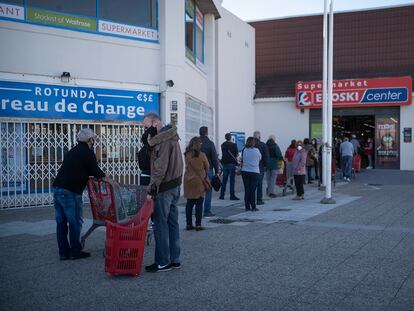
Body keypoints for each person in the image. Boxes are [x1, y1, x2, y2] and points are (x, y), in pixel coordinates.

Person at [52, 128, 106, 260]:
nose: (94, 141)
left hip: (58, 188)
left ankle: (63, 252)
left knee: (61, 222)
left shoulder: (73, 151)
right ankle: (75, 251)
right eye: (93, 138)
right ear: (89, 140)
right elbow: (96, 171)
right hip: (70, 191)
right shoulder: (87, 152)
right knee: (75, 221)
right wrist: (110, 180)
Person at [143, 113, 184, 273]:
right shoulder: (172, 137)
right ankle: (175, 259)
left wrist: (151, 188)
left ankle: (163, 262)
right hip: (175, 186)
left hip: (165, 188)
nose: (146, 131)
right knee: (172, 223)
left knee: (160, 224)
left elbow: (160, 168)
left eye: (147, 127)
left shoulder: (163, 140)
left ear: (155, 123)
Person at [184, 137, 209, 231]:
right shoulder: (202, 155)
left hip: (188, 180)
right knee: (199, 202)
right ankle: (198, 224)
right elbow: (207, 166)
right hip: (199, 180)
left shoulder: (186, 154)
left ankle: (188, 224)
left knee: (189, 203)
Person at [199, 126, 220, 217]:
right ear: (206, 132)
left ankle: (198, 210)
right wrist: (217, 171)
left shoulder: (195, 143)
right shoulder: (210, 143)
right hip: (208, 170)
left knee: (198, 191)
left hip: (197, 170)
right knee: (208, 190)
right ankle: (207, 211)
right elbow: (215, 158)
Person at [240, 137, 262, 211]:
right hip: (255, 171)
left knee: (247, 189)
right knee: (252, 190)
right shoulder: (256, 150)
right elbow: (260, 158)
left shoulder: (244, 150)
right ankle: (253, 206)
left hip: (245, 171)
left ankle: (247, 206)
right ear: (253, 143)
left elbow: (242, 159)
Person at [220, 133, 240, 200]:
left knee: (224, 180)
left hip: (225, 164)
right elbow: (237, 155)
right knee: (232, 181)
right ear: (231, 137)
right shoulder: (234, 145)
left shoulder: (223, 145)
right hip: (232, 164)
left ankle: (222, 195)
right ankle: (232, 195)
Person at [253, 131, 269, 205]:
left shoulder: (249, 145)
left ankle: (251, 200)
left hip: (250, 168)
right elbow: (266, 157)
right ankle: (259, 200)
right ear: (259, 137)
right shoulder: (263, 145)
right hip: (260, 167)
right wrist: (265, 166)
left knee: (252, 185)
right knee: (259, 184)